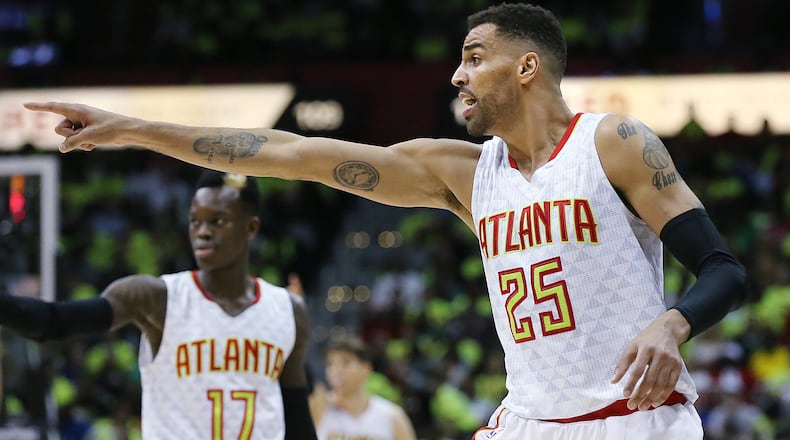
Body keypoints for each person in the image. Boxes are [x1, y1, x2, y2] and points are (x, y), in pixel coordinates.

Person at [24, 3, 749, 438]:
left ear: (527, 67)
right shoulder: (461, 172)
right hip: (527, 419)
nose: (457, 74)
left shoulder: (611, 144)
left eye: (474, 57)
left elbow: (723, 269)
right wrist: (137, 128)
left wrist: (671, 323)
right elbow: (291, 151)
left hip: (634, 418)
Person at [0, 170, 317, 439]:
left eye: (217, 221)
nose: (202, 232)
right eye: (195, 221)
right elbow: (53, 321)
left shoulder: (288, 310)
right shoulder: (156, 296)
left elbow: (299, 422)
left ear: (251, 228)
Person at [309, 334, 417, 440]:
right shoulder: (319, 408)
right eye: (330, 364)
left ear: (366, 368)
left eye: (346, 362)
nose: (337, 370)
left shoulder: (391, 416)